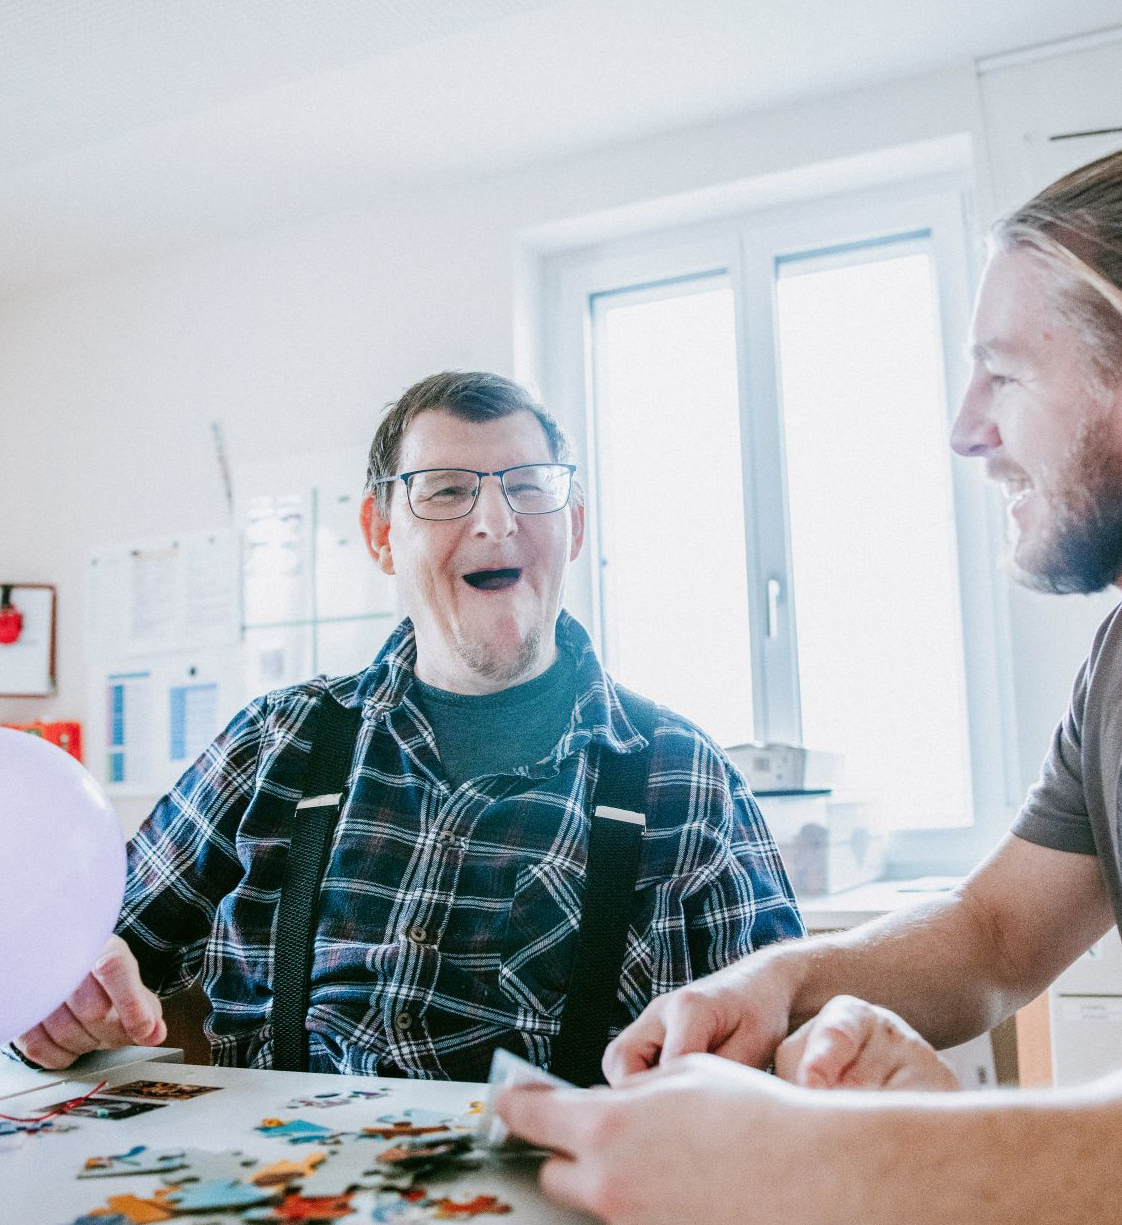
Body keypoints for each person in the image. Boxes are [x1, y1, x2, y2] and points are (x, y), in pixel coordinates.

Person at [499, 139, 1122, 1225]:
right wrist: (778, 981)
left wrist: (848, 1172)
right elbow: (996, 934)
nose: (964, 429)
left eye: (1005, 374)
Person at [12, 370, 802, 1078]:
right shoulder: (272, 746)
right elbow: (74, 961)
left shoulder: (684, 777)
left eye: (530, 486)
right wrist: (58, 1009)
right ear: (381, 534)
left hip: (557, 1219)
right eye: (447, 490)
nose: (496, 520)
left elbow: (780, 1048)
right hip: (280, 1220)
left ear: (577, 528)